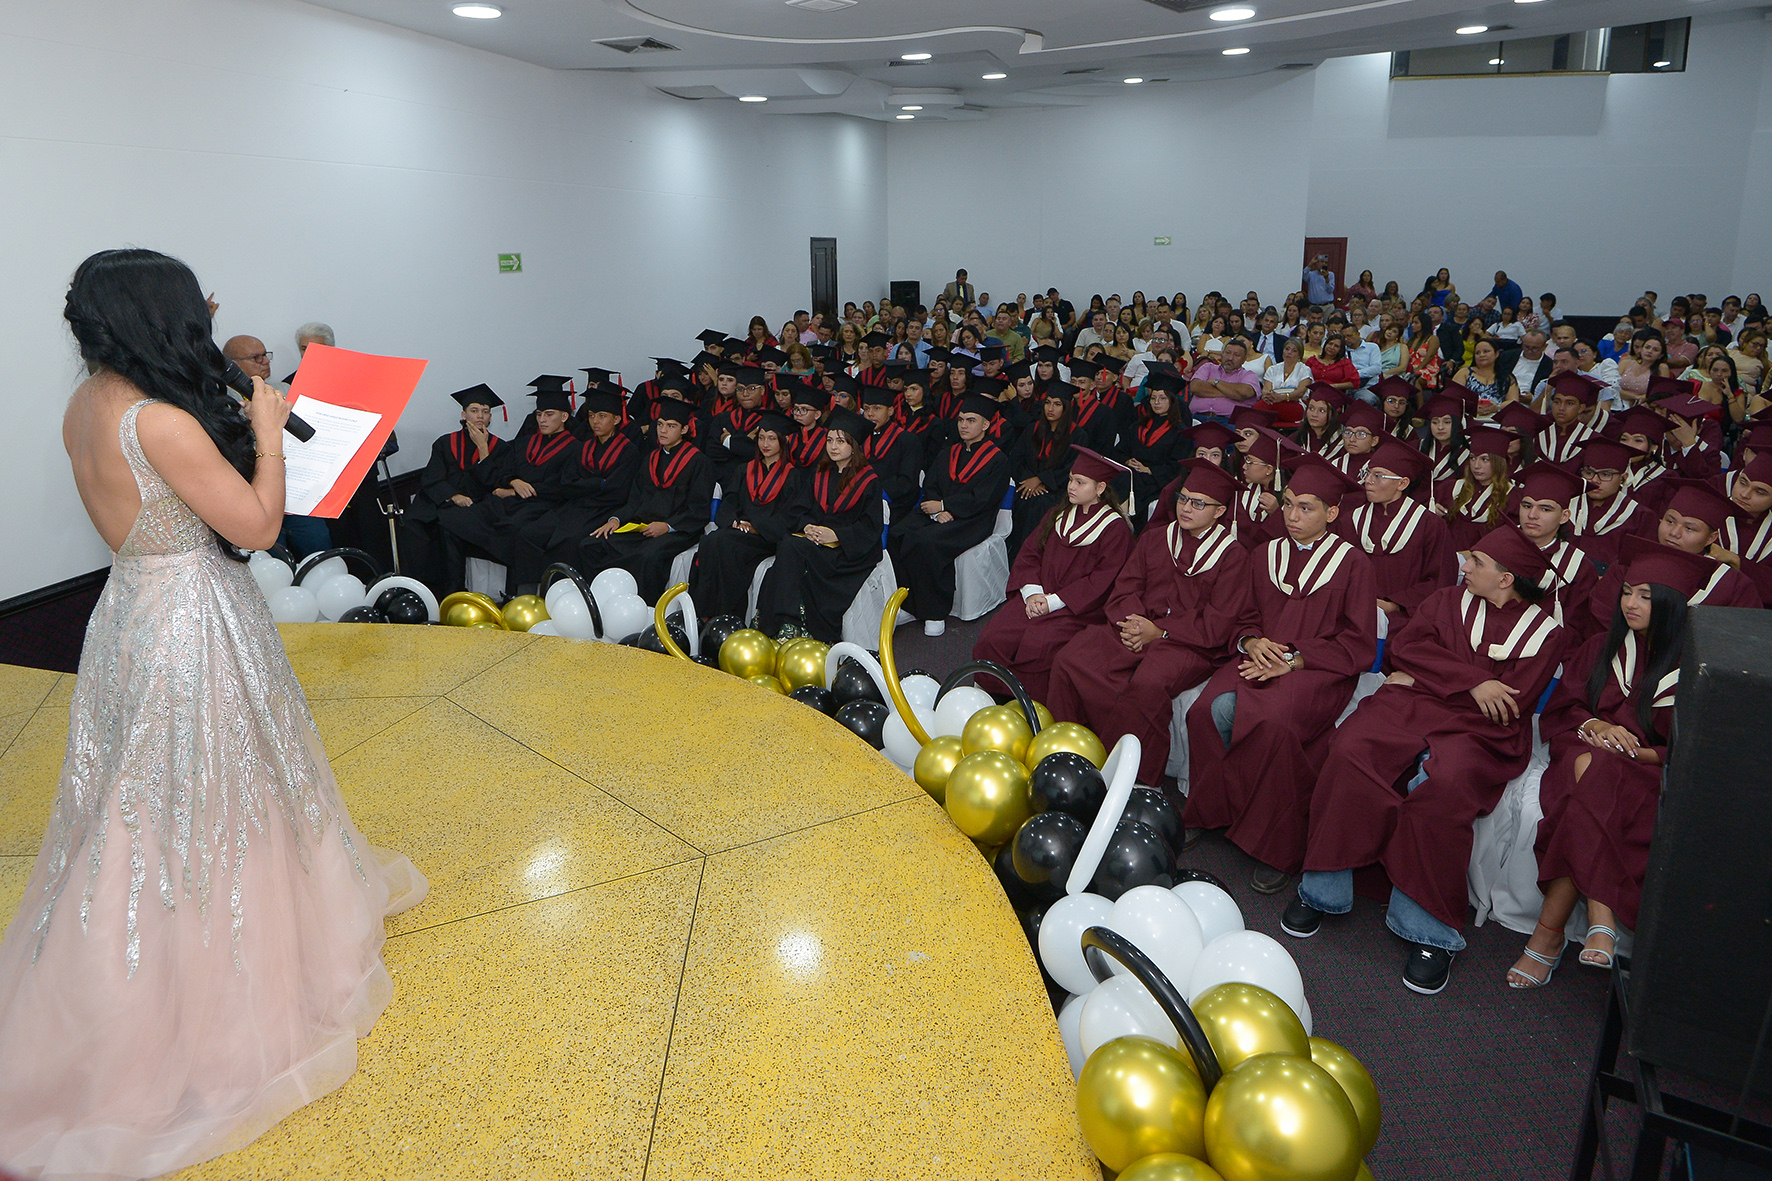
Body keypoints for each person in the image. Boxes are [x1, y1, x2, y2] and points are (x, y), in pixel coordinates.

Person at [0, 248, 427, 1177]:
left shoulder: (87, 405)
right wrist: (269, 432)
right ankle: (198, 985)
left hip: (129, 609)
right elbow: (259, 526)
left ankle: (114, 958)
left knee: (142, 797)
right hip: (191, 621)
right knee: (212, 787)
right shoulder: (159, 422)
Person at [1288, 524, 1565, 995]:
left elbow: (1509, 704)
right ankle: (1323, 889)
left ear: (1506, 579)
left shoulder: (1546, 633)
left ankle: (1428, 927)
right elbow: (1406, 648)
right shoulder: (1446, 601)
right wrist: (1473, 682)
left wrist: (1434, 679)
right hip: (1415, 705)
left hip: (1483, 732)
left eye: (1477, 561)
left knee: (1445, 785)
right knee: (1351, 748)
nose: (1465, 565)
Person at [1511, 541, 1706, 986]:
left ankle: (1548, 936)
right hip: (1580, 748)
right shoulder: (1602, 646)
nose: (1630, 604)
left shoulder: (1695, 668)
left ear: (1673, 605)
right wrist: (1597, 724)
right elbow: (1563, 711)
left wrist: (1638, 753)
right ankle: (1601, 917)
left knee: (1590, 788)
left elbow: (1694, 747)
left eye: (1646, 597)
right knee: (1594, 766)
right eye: (1627, 592)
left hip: (1645, 770)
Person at [1182, 454, 1379, 893]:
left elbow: (1359, 644)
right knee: (1203, 712)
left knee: (1273, 725)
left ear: (1332, 513)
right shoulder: (1265, 554)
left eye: (1305, 508)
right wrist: (1252, 641)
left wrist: (1296, 660)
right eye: (1288, 503)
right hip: (1259, 656)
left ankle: (1275, 844)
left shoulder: (1353, 565)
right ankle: (1212, 812)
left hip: (1318, 669)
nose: (1291, 515)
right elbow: (1244, 616)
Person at [1048, 458, 1249, 786]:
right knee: (1071, 658)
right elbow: (1126, 587)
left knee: (1147, 686)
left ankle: (1125, 779)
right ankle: (1067, 752)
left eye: (1198, 503)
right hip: (1136, 626)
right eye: (1183, 498)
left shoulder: (1232, 556)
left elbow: (1218, 621)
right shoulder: (1157, 538)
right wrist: (1134, 624)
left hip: (1189, 644)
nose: (1186, 508)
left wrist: (1160, 632)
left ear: (1220, 511)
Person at [975, 448, 1136, 704]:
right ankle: (988, 698)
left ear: (1100, 487)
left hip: (1077, 609)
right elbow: (1030, 554)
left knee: (1040, 645)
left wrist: (1052, 602)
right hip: (1036, 596)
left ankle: (1032, 708)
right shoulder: (1058, 515)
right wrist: (1033, 593)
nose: (1071, 486)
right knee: (994, 636)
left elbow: (1102, 581)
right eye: (1071, 479)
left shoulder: (1114, 529)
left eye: (1080, 482)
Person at [439, 378, 583, 595]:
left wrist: (517, 490)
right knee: (453, 518)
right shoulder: (524, 443)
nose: (542, 420)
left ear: (564, 417)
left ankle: (514, 594)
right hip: (510, 502)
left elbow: (564, 487)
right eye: (539, 414)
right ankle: (456, 590)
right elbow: (502, 474)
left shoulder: (575, 449)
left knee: (516, 530)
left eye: (549, 414)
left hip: (542, 505)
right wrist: (514, 481)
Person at [756, 407, 883, 644]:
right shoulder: (819, 473)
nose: (833, 446)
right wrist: (807, 527)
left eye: (841, 441)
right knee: (789, 546)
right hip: (815, 542)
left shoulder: (868, 480)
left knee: (790, 549)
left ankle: (787, 622)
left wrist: (836, 535)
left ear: (854, 446)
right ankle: (786, 620)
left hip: (847, 553)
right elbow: (798, 510)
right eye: (829, 440)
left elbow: (870, 527)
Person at [890, 394, 1012, 636]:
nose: (963, 426)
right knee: (898, 533)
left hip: (973, 520)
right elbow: (931, 484)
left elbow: (983, 499)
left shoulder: (997, 459)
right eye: (960, 420)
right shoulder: (948, 453)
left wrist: (946, 506)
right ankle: (909, 604)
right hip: (938, 513)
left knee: (929, 543)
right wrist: (938, 511)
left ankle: (935, 612)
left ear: (986, 425)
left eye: (971, 420)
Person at [1581, 480, 1762, 635]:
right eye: (1669, 521)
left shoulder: (1733, 586)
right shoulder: (1627, 565)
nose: (1674, 533)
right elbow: (1598, 618)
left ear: (1711, 538)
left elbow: (1740, 639)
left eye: (1689, 528)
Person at [506, 389, 641, 596]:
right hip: (573, 506)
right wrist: (599, 483)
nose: (595, 421)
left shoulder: (628, 451)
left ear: (616, 419)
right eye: (592, 416)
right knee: (528, 534)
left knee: (568, 542)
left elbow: (617, 490)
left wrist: (586, 485)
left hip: (602, 510)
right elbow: (567, 484)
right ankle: (527, 595)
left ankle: (559, 596)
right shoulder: (583, 448)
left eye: (602, 416)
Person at [576, 400, 714, 602]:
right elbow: (634, 500)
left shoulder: (699, 462)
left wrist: (667, 526)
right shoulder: (650, 459)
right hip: (642, 527)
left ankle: (644, 609)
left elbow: (699, 510)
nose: (663, 430)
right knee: (591, 545)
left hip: (678, 531)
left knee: (647, 557)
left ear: (684, 429)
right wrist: (615, 519)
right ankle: (600, 602)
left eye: (671, 426)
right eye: (660, 424)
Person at [688, 410, 801, 620]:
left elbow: (789, 517)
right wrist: (734, 522)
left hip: (765, 537)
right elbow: (729, 501)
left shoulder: (793, 476)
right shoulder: (744, 470)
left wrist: (756, 528)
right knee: (710, 542)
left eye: (771, 438)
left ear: (783, 441)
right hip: (738, 531)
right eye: (761, 438)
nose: (765, 444)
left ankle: (723, 614)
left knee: (723, 544)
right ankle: (701, 614)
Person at [1341, 437, 1455, 636]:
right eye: (1368, 473)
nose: (1368, 481)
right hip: (1352, 615)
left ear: (1402, 483)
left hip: (1407, 620)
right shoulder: (1350, 520)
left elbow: (1439, 580)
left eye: (1378, 476)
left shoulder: (1429, 524)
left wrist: (1394, 604)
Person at [400, 384, 509, 593]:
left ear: (490, 418)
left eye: (485, 412)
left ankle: (453, 591)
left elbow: (494, 483)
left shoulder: (500, 448)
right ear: (464, 415)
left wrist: (483, 449)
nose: (480, 416)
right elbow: (432, 478)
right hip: (442, 497)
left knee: (451, 526)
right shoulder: (445, 443)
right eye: (474, 410)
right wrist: (452, 495)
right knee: (413, 522)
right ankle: (417, 588)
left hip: (476, 502)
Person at [1513, 461, 1599, 628]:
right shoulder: (1494, 548)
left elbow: (1576, 628)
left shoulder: (1579, 568)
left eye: (1545, 509)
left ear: (1564, 516)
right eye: (1527, 506)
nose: (1532, 515)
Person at [1008, 383, 1077, 555]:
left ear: (1066, 408)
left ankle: (1033, 555)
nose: (1050, 409)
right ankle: (1015, 555)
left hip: (1056, 490)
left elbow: (1071, 468)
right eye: (1047, 403)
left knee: (1040, 505)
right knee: (1021, 501)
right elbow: (1015, 459)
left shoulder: (1077, 435)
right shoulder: (1032, 429)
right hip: (1026, 486)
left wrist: (1041, 480)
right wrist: (1029, 480)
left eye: (1057, 404)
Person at [1121, 371, 1188, 521]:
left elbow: (1177, 466)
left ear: (1172, 401)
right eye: (1153, 398)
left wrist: (1149, 470)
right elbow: (1120, 450)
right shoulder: (1138, 425)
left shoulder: (1180, 431)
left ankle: (1130, 525)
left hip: (1156, 481)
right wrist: (1127, 461)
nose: (1157, 402)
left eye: (1162, 398)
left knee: (1134, 487)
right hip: (1132, 474)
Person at [1569, 437, 1645, 566]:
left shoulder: (1639, 517)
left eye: (1605, 474)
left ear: (1623, 478)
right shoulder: (1566, 506)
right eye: (1589, 472)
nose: (1595, 480)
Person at [1534, 371, 1608, 464]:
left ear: (1581, 408)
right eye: (1557, 402)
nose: (1561, 408)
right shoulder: (1538, 435)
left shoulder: (1592, 440)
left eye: (1569, 403)